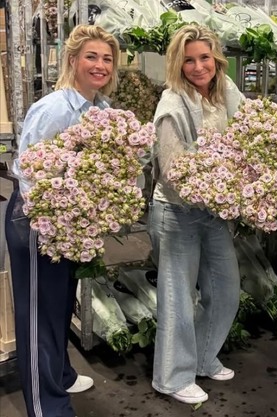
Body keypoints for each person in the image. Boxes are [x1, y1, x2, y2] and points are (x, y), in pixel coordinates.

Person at [5, 24, 120, 417]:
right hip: (35, 220)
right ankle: (46, 405)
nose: (100, 65)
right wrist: (51, 221)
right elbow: (28, 173)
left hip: (70, 222)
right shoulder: (54, 109)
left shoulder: (101, 109)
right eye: (91, 56)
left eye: (107, 59)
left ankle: (61, 374)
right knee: (39, 313)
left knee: (59, 303)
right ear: (73, 60)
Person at [148, 24, 244, 404]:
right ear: (178, 64)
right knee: (178, 300)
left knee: (225, 291)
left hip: (213, 212)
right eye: (189, 60)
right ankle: (172, 378)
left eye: (205, 57)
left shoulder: (224, 94)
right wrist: (223, 184)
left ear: (216, 59)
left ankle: (203, 358)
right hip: (176, 212)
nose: (199, 66)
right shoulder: (171, 106)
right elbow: (173, 171)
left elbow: (250, 131)